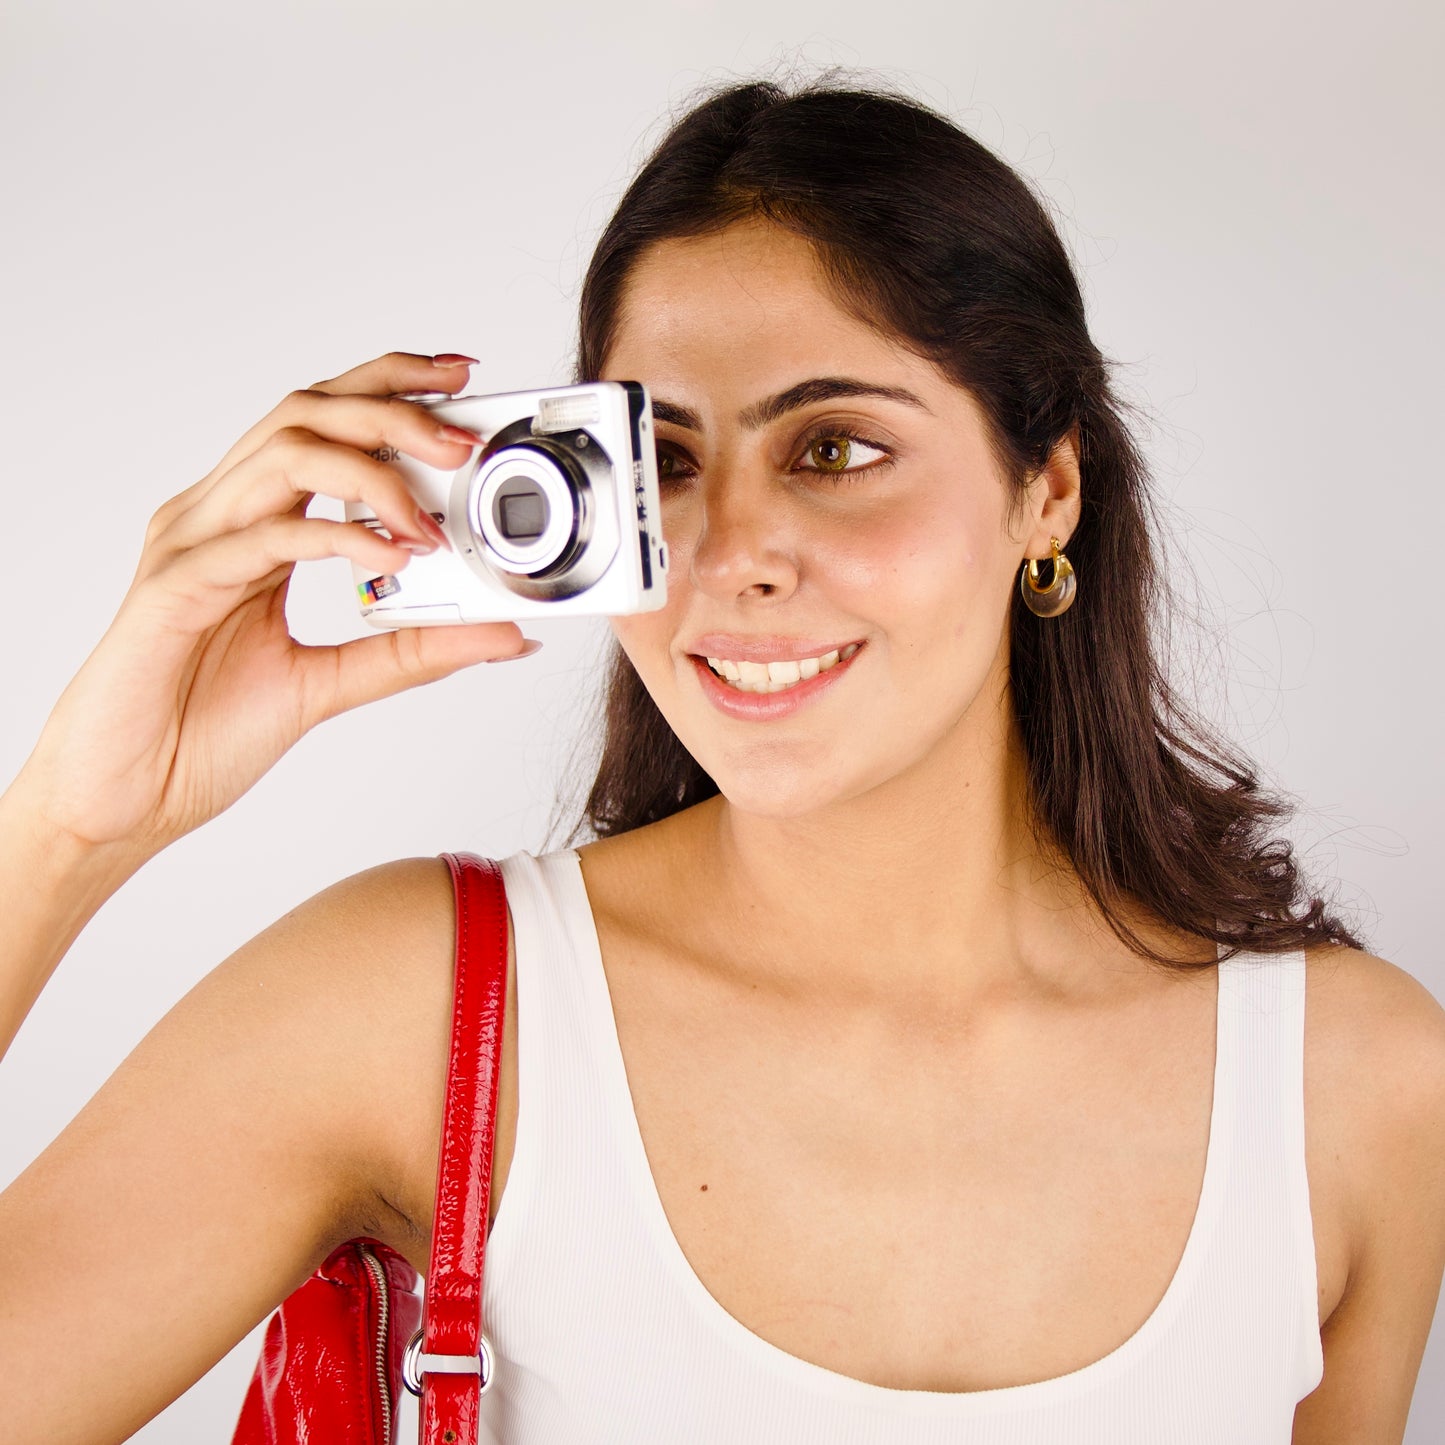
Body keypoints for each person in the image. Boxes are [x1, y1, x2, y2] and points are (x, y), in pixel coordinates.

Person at [1, 77, 1442, 1445]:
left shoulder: (1356, 1085)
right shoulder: (424, 1008)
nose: (729, 557)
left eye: (830, 449)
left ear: (1043, 488)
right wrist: (73, 820)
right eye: (664, 465)